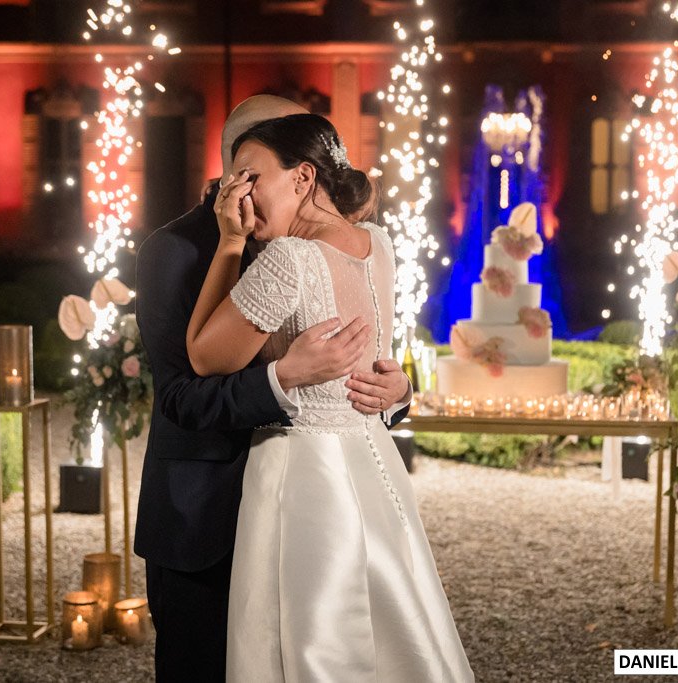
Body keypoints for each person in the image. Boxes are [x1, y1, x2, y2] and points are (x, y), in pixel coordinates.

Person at [134, 95, 414, 682]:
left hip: (314, 509)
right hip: (204, 517)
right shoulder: (173, 249)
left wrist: (394, 391)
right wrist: (282, 379)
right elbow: (182, 397)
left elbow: (366, 345)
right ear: (238, 160)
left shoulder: (333, 242)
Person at [186, 113, 473, 682]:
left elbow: (202, 356)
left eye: (249, 176)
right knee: (389, 627)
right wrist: (399, 389)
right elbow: (380, 366)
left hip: (301, 473)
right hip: (373, 462)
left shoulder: (289, 260)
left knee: (304, 637)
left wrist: (230, 241)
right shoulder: (380, 246)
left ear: (302, 178)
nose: (234, 192)